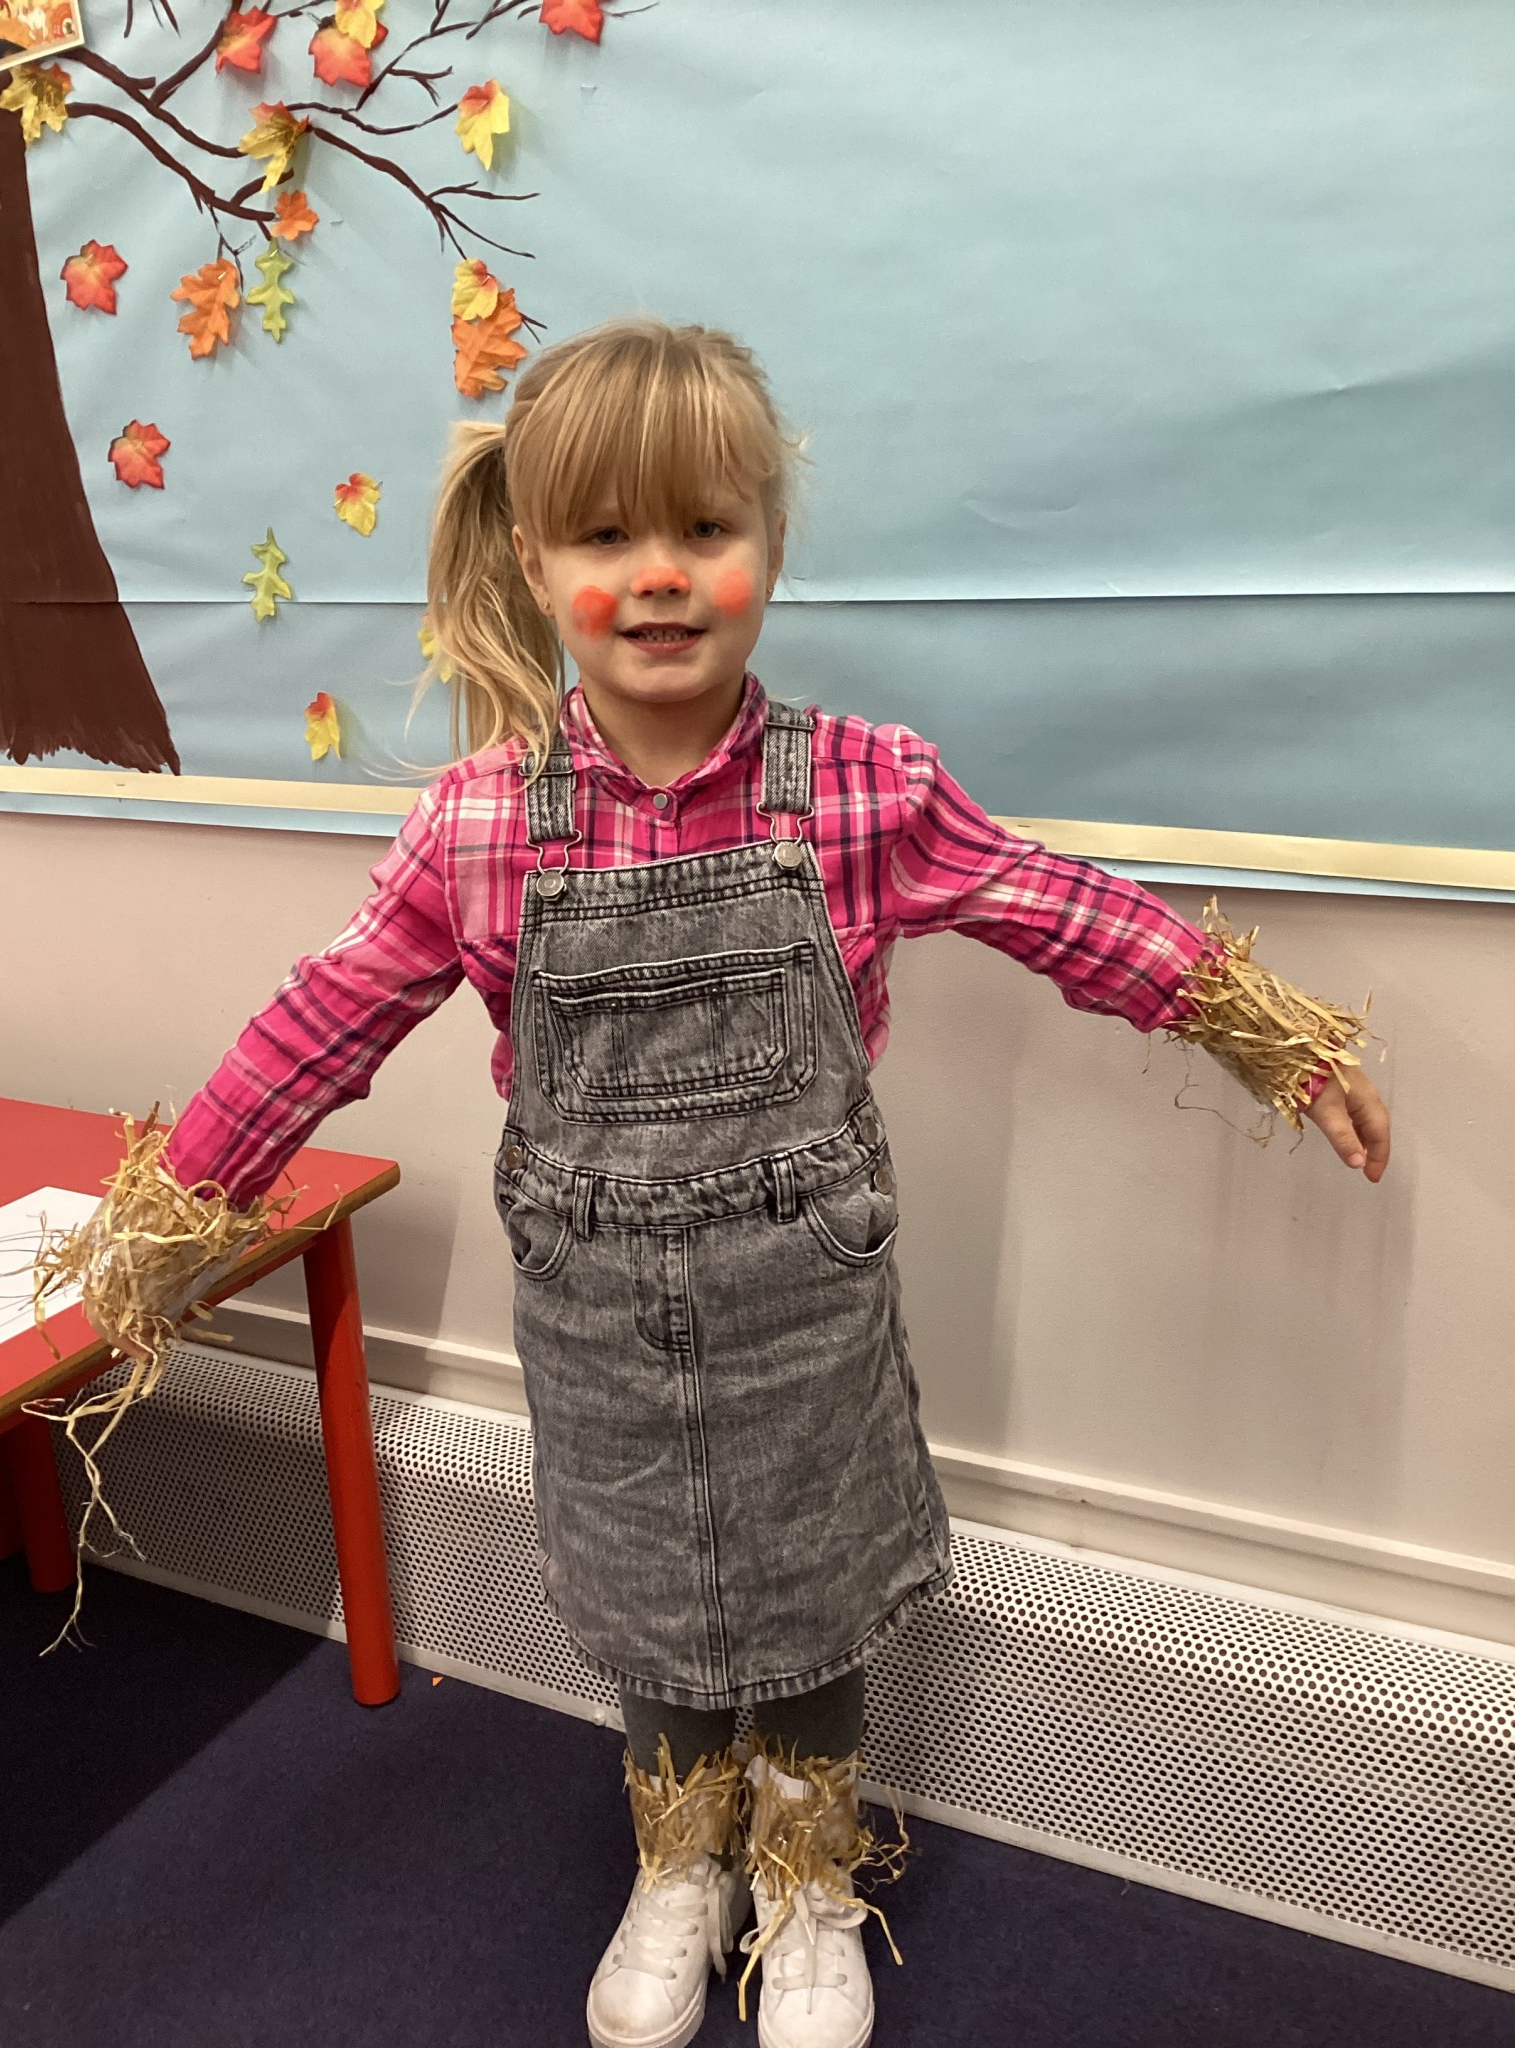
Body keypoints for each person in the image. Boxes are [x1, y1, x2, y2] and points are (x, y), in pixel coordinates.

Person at [130, 320, 1388, 2048]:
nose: (660, 580)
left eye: (705, 532)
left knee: (801, 1615)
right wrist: (168, 1217)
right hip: (591, 1319)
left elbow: (1055, 908)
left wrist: (1265, 1031)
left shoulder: (865, 788)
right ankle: (679, 1863)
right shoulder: (479, 823)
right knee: (652, 1618)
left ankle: (805, 1882)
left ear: (769, 551)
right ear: (533, 557)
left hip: (807, 1302)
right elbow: (317, 1024)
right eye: (604, 541)